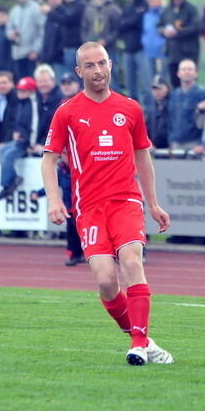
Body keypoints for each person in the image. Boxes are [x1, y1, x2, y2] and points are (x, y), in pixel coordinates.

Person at [42, 41, 173, 367]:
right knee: (105, 280)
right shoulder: (67, 112)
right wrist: (54, 200)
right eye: (90, 65)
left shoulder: (130, 108)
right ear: (79, 71)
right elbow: (48, 160)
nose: (98, 71)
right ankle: (144, 338)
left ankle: (139, 345)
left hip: (126, 201)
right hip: (89, 208)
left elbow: (143, 157)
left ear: (111, 64)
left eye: (102, 63)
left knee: (132, 262)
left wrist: (153, 203)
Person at [0, 76, 39, 200]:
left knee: (8, 156)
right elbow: (18, 123)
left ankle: (7, 184)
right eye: (19, 90)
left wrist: (31, 144)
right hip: (20, 139)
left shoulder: (33, 104)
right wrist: (17, 131)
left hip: (26, 142)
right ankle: (13, 178)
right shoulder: (22, 104)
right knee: (3, 150)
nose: (20, 93)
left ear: (31, 92)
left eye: (23, 91)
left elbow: (34, 125)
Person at [158, 0, 201, 87]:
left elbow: (196, 27)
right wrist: (163, 31)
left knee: (189, 83)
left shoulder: (192, 9)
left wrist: (177, 33)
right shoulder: (167, 10)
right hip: (172, 54)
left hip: (188, 53)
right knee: (174, 83)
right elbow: (158, 26)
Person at [82, 0, 121, 86]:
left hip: (109, 50)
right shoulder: (88, 9)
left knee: (111, 77)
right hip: (91, 51)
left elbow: (117, 30)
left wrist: (106, 40)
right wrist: (88, 43)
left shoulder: (114, 9)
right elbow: (84, 28)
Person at [118, 0, 150, 106]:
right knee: (130, 84)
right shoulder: (128, 7)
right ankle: (133, 110)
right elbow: (121, 24)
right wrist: (132, 20)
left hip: (141, 49)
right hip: (128, 49)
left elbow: (139, 22)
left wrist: (129, 22)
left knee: (146, 83)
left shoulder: (145, 6)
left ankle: (148, 112)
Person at [167, 59, 205, 151]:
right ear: (178, 73)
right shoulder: (174, 94)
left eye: (190, 69)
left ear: (196, 73)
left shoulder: (202, 94)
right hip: (175, 143)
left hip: (194, 144)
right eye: (183, 69)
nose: (187, 72)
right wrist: (170, 140)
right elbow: (170, 119)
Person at [7, 0, 43, 80]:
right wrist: (11, 34)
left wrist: (36, 50)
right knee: (21, 83)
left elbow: (42, 32)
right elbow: (8, 28)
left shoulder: (36, 9)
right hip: (17, 54)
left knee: (32, 83)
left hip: (31, 54)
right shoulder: (14, 10)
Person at [142, 0, 166, 77]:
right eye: (151, 1)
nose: (153, 3)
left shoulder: (164, 14)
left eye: (155, 1)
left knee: (162, 77)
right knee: (150, 77)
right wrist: (144, 42)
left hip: (161, 52)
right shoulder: (147, 16)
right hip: (148, 51)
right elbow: (145, 32)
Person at [145, 74, 170, 149]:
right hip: (154, 148)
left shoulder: (173, 104)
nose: (157, 91)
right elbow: (147, 129)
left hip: (170, 147)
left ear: (167, 88)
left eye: (160, 88)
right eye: (154, 89)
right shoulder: (151, 107)